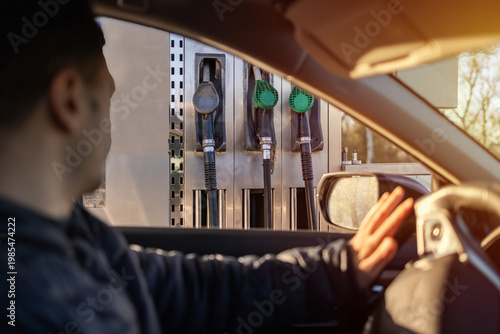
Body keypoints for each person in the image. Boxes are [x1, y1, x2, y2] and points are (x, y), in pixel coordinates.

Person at [0, 1, 414, 333]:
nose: (112, 89)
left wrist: (338, 269)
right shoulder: (30, 298)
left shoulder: (77, 234)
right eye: (102, 76)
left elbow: (198, 290)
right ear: (69, 99)